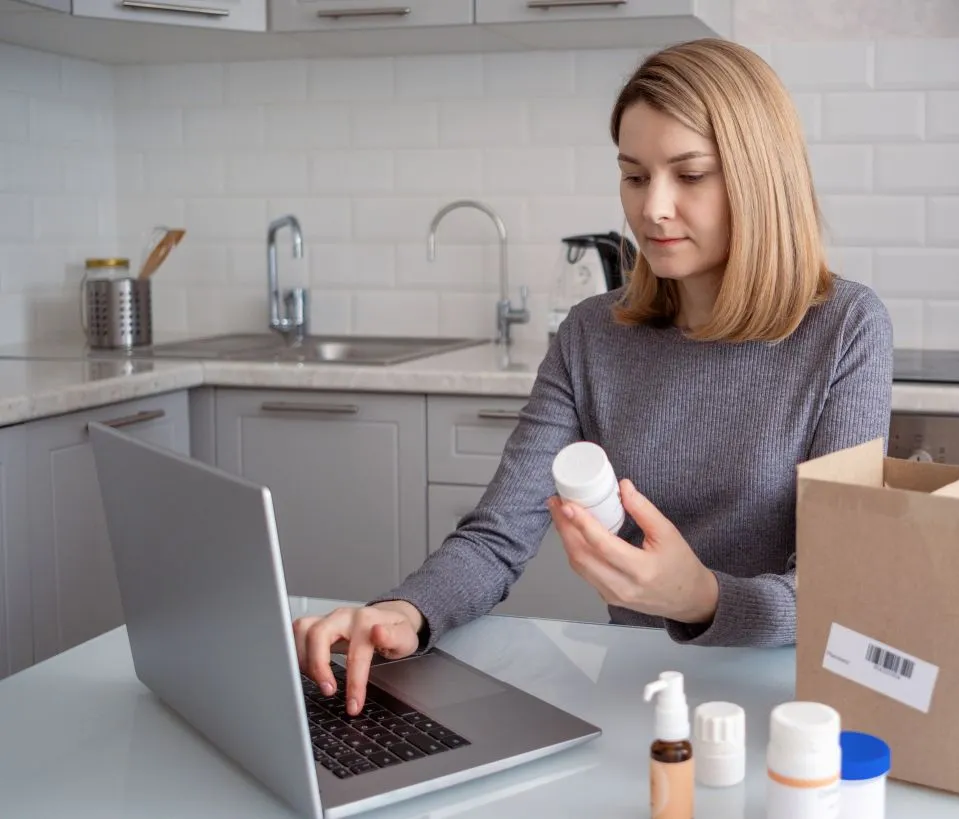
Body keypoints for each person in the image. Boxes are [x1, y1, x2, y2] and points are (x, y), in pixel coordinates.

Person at [293, 38, 894, 716]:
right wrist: (407, 610)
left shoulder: (846, 327)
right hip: (639, 688)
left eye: (689, 175)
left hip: (789, 700)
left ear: (760, 180)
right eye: (635, 176)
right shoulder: (591, 334)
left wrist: (702, 598)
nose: (653, 209)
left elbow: (839, 591)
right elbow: (497, 534)